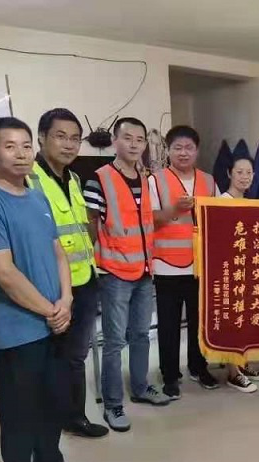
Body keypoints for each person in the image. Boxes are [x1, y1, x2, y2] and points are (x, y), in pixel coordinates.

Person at [0, 117, 93, 462]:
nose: (20, 154)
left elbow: (58, 252)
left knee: (52, 404)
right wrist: (51, 310)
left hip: (55, 323)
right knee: (20, 417)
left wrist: (66, 299)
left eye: (25, 146)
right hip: (19, 331)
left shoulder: (37, 197)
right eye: (9, 146)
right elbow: (4, 272)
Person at [27, 108, 108, 439]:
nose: (69, 144)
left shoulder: (74, 179)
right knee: (53, 357)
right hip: (51, 286)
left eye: (75, 138)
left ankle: (74, 417)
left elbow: (80, 227)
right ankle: (53, 421)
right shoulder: (29, 180)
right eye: (60, 136)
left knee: (76, 356)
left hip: (84, 279)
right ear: (42, 138)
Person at [84, 117, 169, 433]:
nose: (134, 144)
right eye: (127, 138)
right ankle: (113, 404)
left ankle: (141, 387)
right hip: (115, 272)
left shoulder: (145, 178)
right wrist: (101, 261)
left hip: (145, 270)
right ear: (115, 142)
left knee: (141, 334)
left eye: (139, 139)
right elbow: (91, 224)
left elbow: (145, 223)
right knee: (114, 341)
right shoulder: (99, 179)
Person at [149, 125, 220, 400]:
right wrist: (174, 210)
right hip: (166, 264)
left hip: (201, 265)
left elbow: (219, 217)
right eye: (177, 147)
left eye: (189, 147)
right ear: (168, 150)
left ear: (197, 151)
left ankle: (198, 367)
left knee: (200, 322)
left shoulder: (209, 181)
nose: (183, 152)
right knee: (168, 324)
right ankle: (169, 375)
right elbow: (149, 218)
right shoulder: (156, 180)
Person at [220, 156, 259, 393]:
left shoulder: (251, 203)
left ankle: (243, 364)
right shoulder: (220, 202)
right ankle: (233, 372)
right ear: (229, 173)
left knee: (245, 321)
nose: (244, 177)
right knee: (233, 322)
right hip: (229, 272)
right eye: (239, 172)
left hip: (247, 270)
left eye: (249, 172)